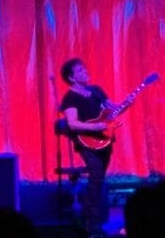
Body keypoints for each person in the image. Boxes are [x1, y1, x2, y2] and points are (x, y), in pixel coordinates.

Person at [60, 58, 116, 237]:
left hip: (105, 140)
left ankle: (92, 221)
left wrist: (125, 104)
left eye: (84, 68)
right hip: (86, 143)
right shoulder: (70, 98)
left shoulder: (96, 91)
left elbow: (111, 110)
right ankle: (89, 222)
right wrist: (94, 127)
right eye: (80, 70)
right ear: (71, 78)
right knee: (97, 176)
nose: (85, 71)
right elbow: (73, 123)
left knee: (98, 180)